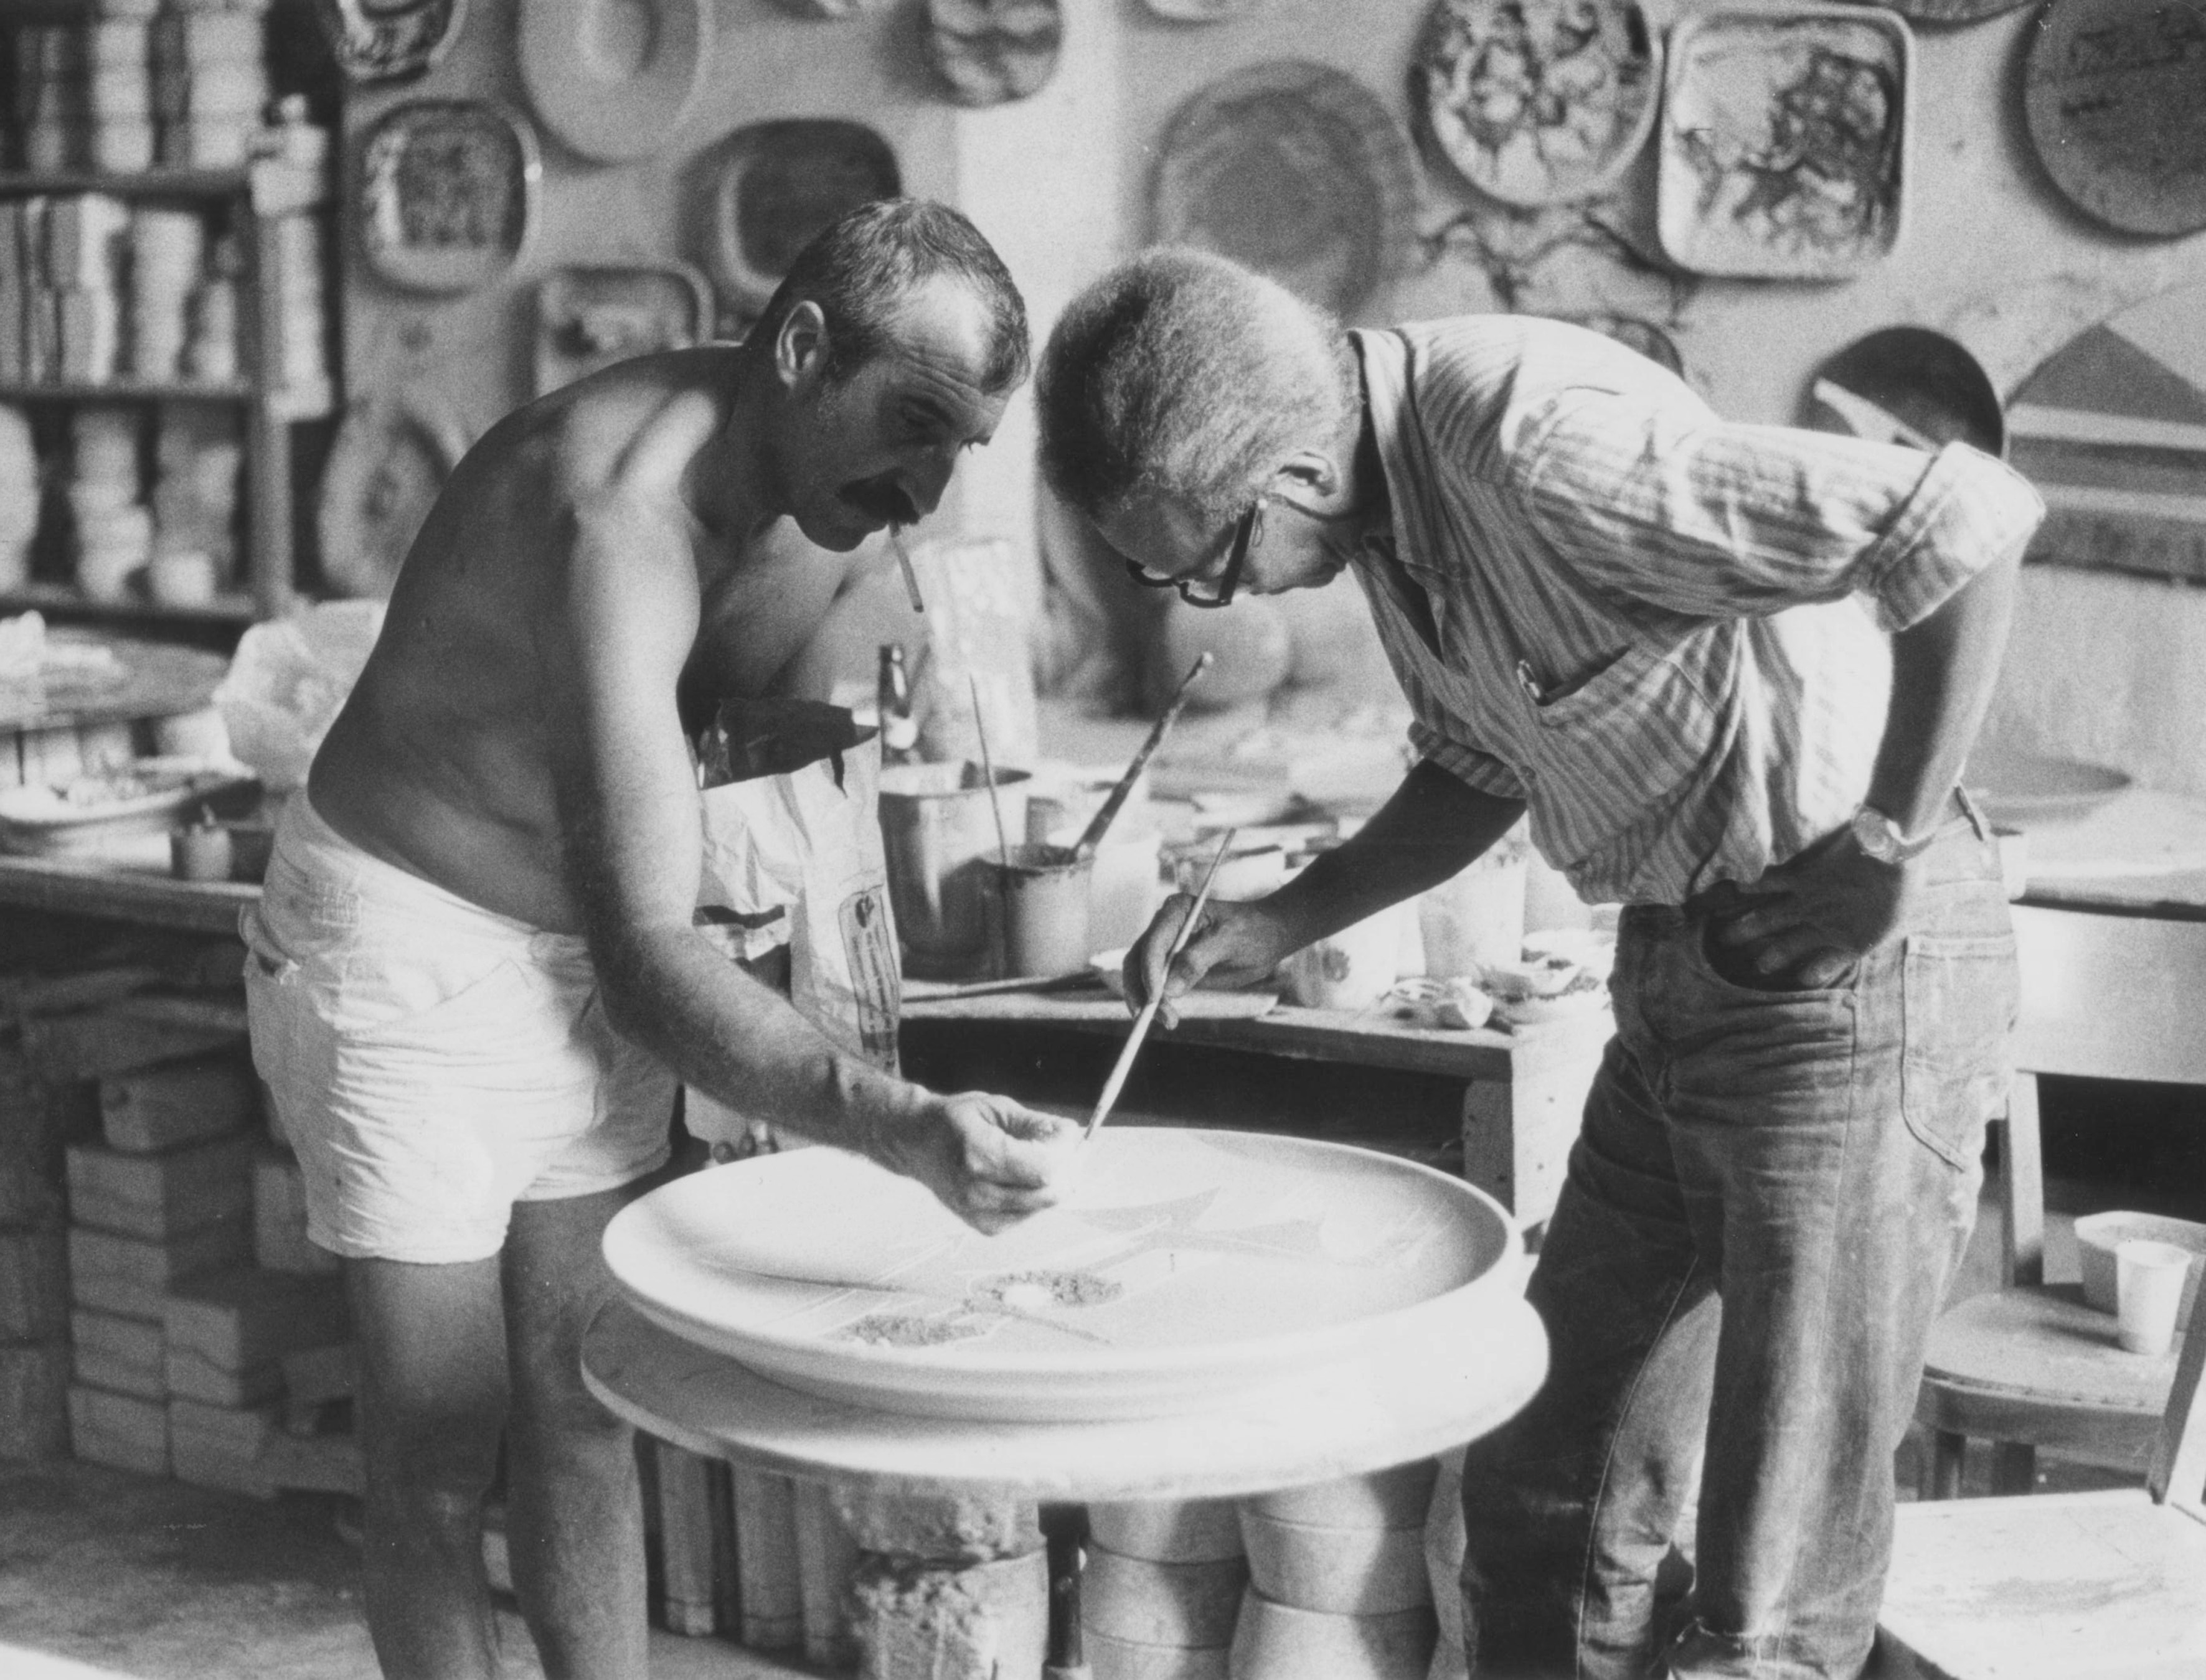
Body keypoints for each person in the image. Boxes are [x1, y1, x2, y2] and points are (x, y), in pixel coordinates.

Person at [1035, 249, 2043, 1680]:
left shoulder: (1535, 447)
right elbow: (1481, 758)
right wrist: (1277, 921)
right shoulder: (1386, 514)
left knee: (1764, 1600)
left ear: (1294, 474)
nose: (1207, 595)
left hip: (1845, 974)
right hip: (1680, 971)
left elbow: (1965, 523)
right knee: (1540, 1496)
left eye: (1200, 559)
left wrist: (1888, 835)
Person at [243, 200, 1082, 1680]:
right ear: (803, 349)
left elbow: (767, 798)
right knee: (439, 1448)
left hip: (585, 943)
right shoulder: (613, 516)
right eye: (915, 426)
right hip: (411, 940)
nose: (929, 488)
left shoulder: (836, 503)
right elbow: (647, 952)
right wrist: (894, 1124)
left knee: (584, 1409)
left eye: (963, 449)